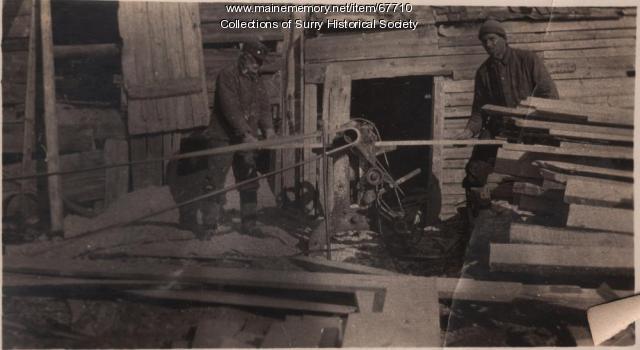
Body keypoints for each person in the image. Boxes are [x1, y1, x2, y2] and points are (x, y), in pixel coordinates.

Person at [457, 19, 559, 218]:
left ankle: (543, 216)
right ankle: (476, 220)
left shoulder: (527, 60)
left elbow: (550, 95)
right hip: (499, 129)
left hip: (531, 128)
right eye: (484, 41)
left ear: (504, 39)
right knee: (475, 172)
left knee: (542, 172)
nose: (488, 45)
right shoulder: (484, 73)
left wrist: (534, 121)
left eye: (492, 39)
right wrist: (468, 131)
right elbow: (479, 111)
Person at [201, 40, 276, 238]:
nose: (258, 66)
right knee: (214, 181)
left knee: (249, 178)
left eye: (260, 63)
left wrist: (268, 129)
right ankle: (209, 225)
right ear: (245, 58)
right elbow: (230, 108)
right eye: (255, 62)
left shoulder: (256, 80)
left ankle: (249, 224)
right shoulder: (227, 75)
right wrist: (245, 133)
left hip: (246, 137)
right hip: (222, 136)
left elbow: (263, 106)